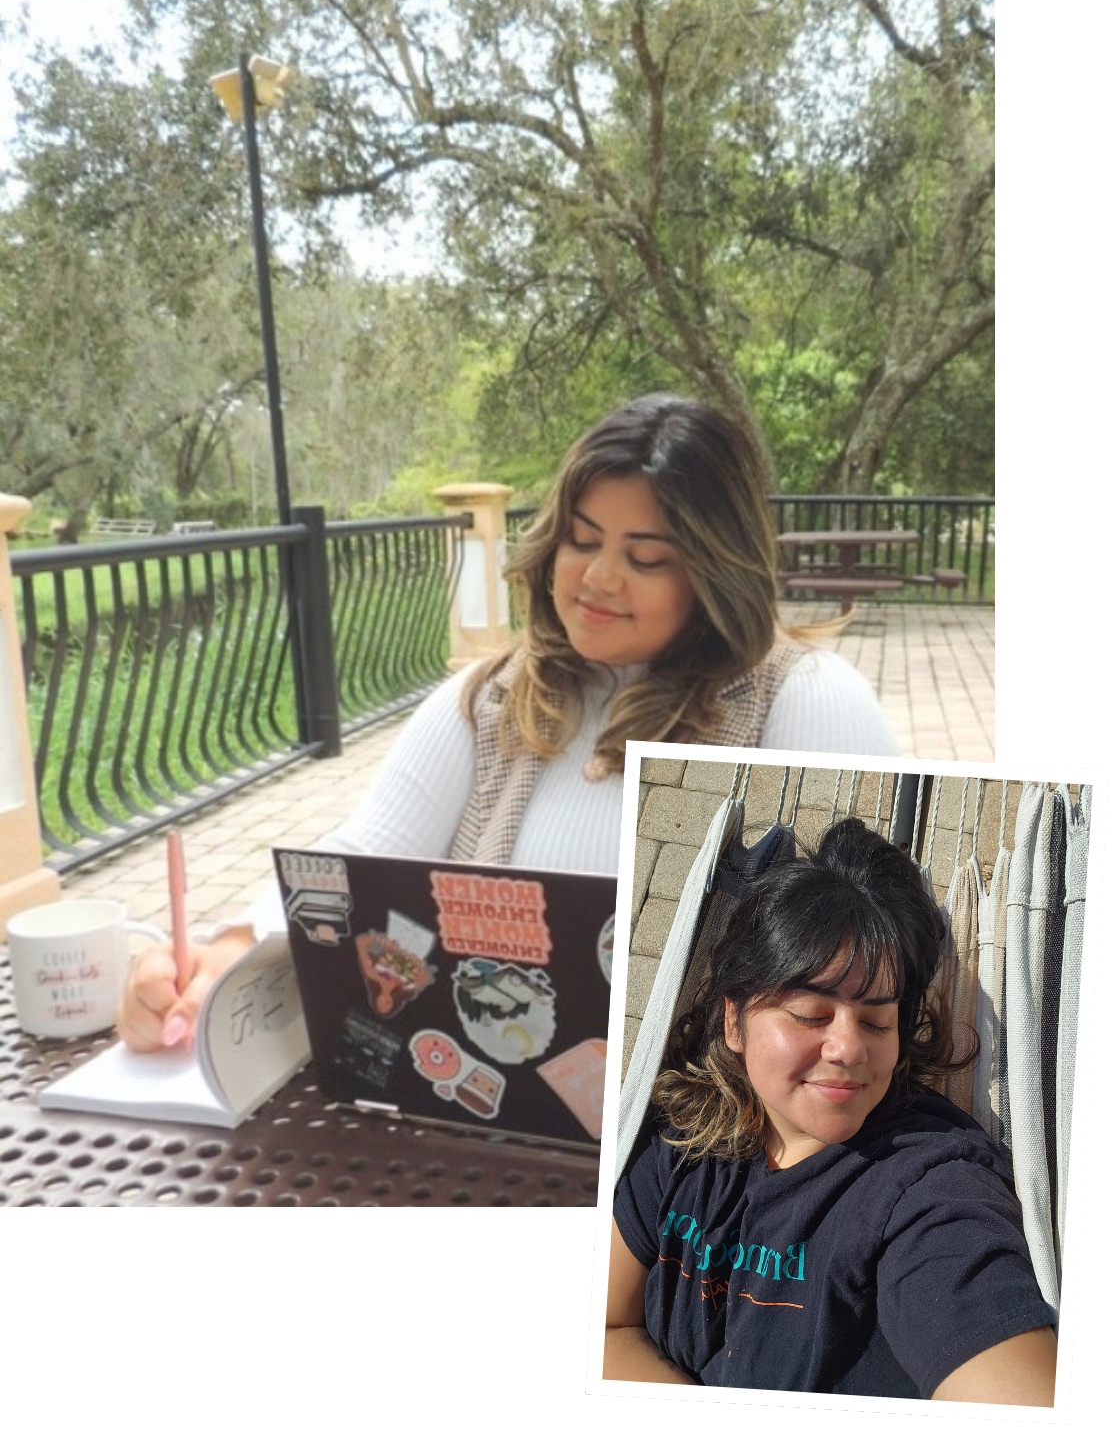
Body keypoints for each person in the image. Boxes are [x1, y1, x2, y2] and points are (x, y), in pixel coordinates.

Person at [119, 394, 895, 1052]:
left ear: (715, 571)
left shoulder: (804, 699)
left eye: (647, 557)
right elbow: (362, 862)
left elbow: (873, 925)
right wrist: (229, 952)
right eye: (581, 539)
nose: (595, 577)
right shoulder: (492, 698)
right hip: (483, 1112)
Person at [606, 819, 1058, 1404]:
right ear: (734, 1022)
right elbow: (609, 1325)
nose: (849, 1048)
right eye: (811, 1015)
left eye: (876, 1021)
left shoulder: (926, 1188)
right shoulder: (684, 1140)